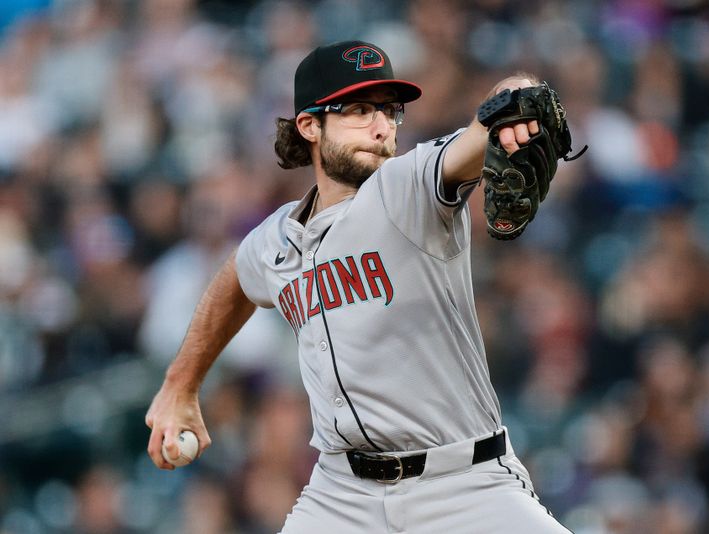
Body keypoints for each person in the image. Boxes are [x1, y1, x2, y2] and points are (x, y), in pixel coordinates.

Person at [146, 40, 570, 533]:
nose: (381, 126)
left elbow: (499, 111)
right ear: (309, 125)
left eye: (389, 111)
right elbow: (233, 283)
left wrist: (521, 101)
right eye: (358, 110)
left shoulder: (409, 186)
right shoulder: (276, 238)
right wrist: (181, 385)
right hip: (341, 494)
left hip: (463, 484)